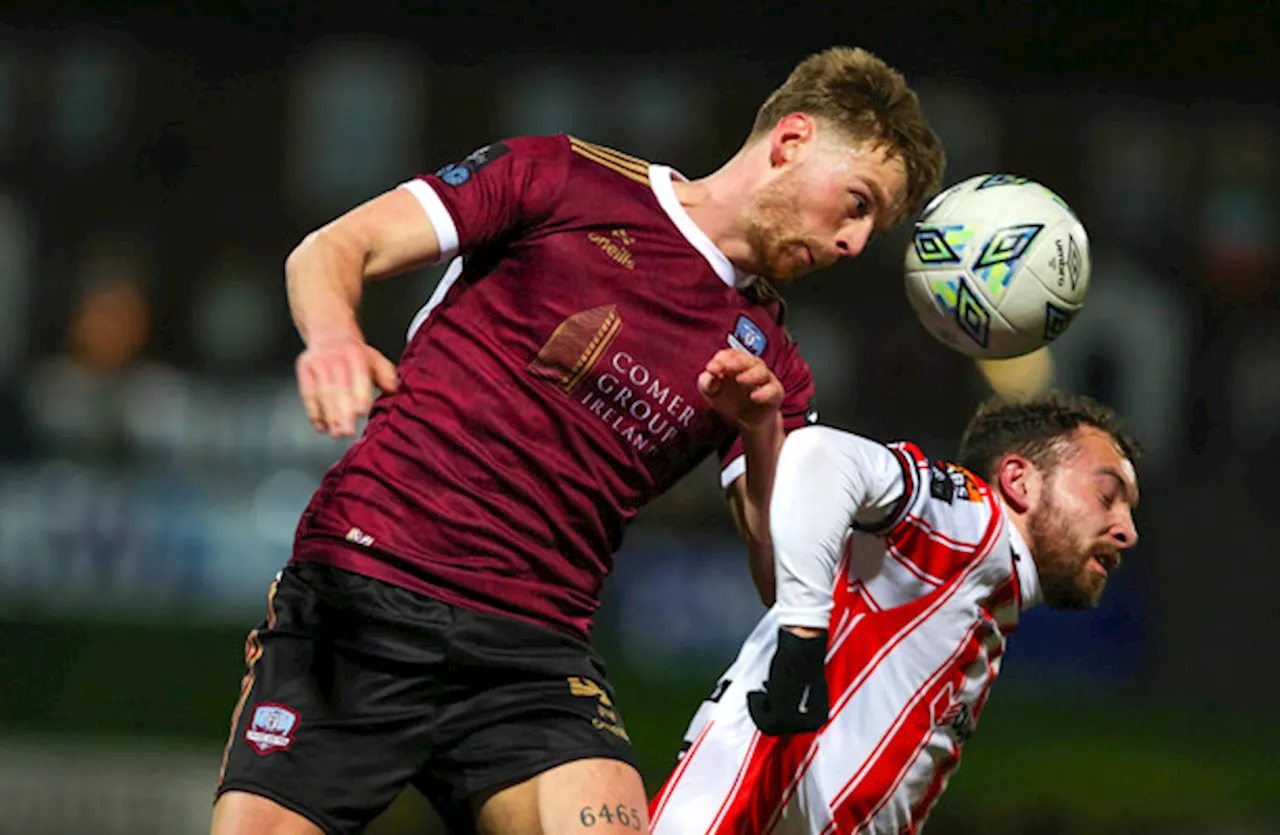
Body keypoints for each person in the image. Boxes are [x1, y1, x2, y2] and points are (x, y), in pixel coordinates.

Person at [212, 46, 945, 835]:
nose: (855, 243)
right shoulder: (564, 179)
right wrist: (334, 339)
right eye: (858, 202)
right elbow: (329, 249)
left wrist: (762, 429)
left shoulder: (774, 360)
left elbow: (781, 576)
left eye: (873, 224)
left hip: (529, 655)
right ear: (792, 140)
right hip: (368, 590)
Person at [649, 392, 1141, 834]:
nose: (1128, 530)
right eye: (1107, 496)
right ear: (1019, 481)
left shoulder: (986, 592)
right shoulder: (974, 524)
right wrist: (801, 638)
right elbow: (821, 455)